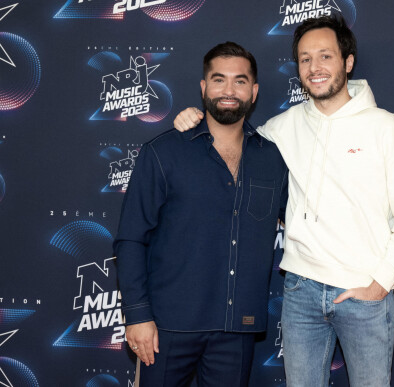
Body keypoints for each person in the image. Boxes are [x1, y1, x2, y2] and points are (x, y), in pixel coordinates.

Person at [173, 16, 394, 387]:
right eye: (305, 59)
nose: (315, 67)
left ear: (348, 62)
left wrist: (378, 286)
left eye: (325, 56)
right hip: (300, 294)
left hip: (364, 296)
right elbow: (231, 140)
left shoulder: (386, 127)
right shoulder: (280, 128)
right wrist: (194, 118)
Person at [114, 42, 288, 387]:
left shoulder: (271, 158)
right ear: (204, 87)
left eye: (240, 81)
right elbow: (132, 238)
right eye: (218, 79)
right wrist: (137, 316)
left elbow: (304, 220)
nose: (228, 90)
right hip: (166, 326)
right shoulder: (163, 153)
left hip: (237, 327)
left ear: (253, 92)